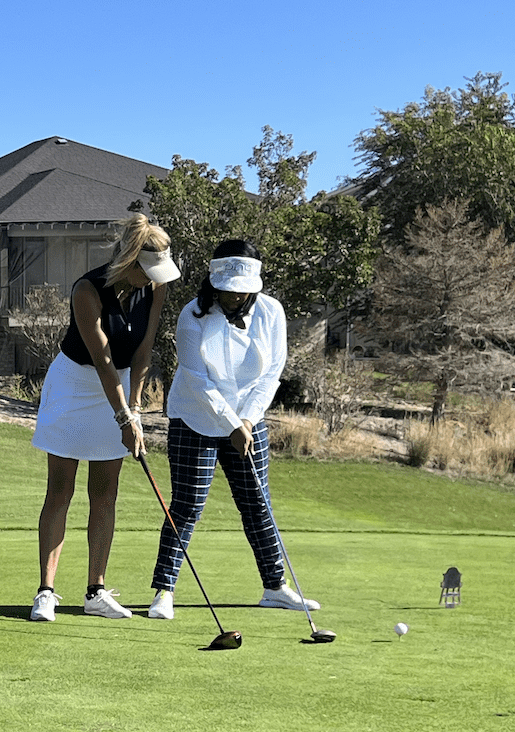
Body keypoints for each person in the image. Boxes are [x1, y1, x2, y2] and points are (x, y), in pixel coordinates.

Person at [146, 239, 319, 619]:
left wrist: (246, 420)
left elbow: (272, 372)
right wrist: (229, 423)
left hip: (248, 419)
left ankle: (275, 587)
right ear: (214, 282)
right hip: (195, 419)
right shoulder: (192, 315)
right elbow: (195, 377)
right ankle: (164, 591)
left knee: (258, 504)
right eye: (227, 289)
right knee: (187, 506)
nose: (234, 297)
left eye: (242, 292)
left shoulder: (272, 312)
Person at [26, 213, 179, 620]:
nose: (152, 278)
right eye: (147, 270)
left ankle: (95, 591)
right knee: (60, 490)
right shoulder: (87, 290)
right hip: (75, 386)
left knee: (105, 491)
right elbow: (102, 359)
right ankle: (46, 591)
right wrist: (123, 417)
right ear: (129, 260)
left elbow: (143, 351)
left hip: (122, 384)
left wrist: (136, 410)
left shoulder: (156, 286)